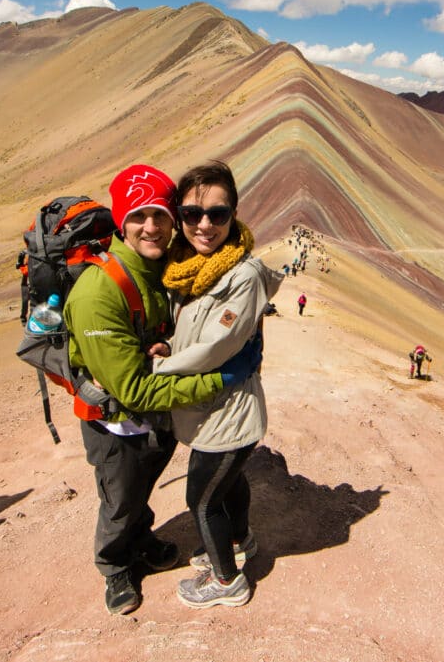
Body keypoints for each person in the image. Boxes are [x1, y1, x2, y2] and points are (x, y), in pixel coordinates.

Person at [64, 164, 259, 616]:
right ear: (120, 221)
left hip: (156, 418)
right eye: (137, 216)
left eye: (160, 215)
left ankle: (143, 540)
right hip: (115, 422)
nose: (151, 227)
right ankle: (115, 568)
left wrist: (166, 346)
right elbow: (133, 390)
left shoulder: (164, 268)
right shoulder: (98, 293)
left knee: (139, 491)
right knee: (119, 499)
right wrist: (221, 380)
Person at [151, 161, 283, 609]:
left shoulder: (241, 276)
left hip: (227, 413)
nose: (204, 225)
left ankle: (226, 581)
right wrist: (168, 346)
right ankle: (241, 538)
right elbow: (190, 331)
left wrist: (157, 373)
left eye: (217, 214)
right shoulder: (188, 267)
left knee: (202, 501)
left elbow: (216, 346)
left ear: (234, 214)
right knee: (229, 486)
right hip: (214, 410)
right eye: (191, 214)